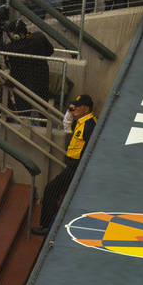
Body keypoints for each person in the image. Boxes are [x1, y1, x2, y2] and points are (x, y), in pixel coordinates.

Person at [33, 95, 97, 233]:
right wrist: (69, 111)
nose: (74, 109)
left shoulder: (90, 125)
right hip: (71, 165)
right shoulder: (79, 121)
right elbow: (66, 126)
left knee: (51, 190)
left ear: (86, 108)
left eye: (77, 106)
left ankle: (47, 227)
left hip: (76, 167)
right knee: (55, 192)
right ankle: (51, 224)